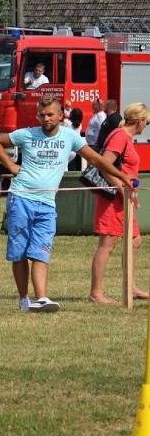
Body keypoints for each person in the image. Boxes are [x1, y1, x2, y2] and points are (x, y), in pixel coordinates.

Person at [0, 96, 134, 313]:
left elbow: (96, 159)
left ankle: (42, 299)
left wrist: (121, 176)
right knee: (19, 253)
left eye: (50, 114)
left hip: (47, 204)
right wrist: (11, 166)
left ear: (60, 115)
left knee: (40, 251)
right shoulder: (27, 134)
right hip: (21, 198)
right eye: (42, 115)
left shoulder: (70, 137)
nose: (46, 119)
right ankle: (24, 298)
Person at [88, 102, 150, 304]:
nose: (146, 126)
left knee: (135, 241)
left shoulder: (126, 137)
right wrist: (121, 189)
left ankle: (130, 287)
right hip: (113, 198)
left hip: (124, 197)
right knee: (107, 244)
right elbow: (104, 165)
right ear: (140, 121)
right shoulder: (120, 136)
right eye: (147, 123)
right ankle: (95, 294)